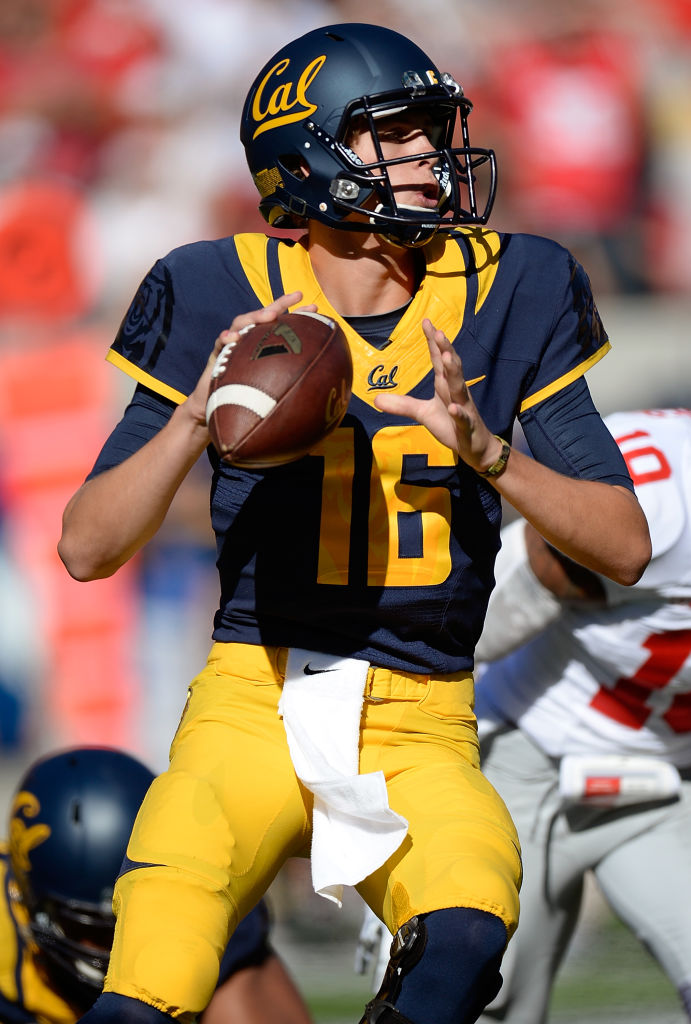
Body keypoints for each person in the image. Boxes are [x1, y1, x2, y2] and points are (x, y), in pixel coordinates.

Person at [56, 22, 651, 1024]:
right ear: (311, 159)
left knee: (464, 933)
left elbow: (624, 547)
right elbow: (85, 546)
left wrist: (491, 453)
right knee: (152, 969)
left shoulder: (517, 286)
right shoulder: (216, 292)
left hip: (420, 716)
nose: (432, 154)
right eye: (398, 134)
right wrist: (196, 413)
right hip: (255, 695)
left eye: (433, 129)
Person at [473, 407, 691, 1023]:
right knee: (476, 994)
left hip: (667, 783)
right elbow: (544, 563)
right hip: (529, 752)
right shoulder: (663, 491)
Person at [1, 746, 312, 1024]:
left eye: (131, 921)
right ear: (23, 898)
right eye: (96, 930)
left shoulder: (195, 889)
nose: (115, 950)